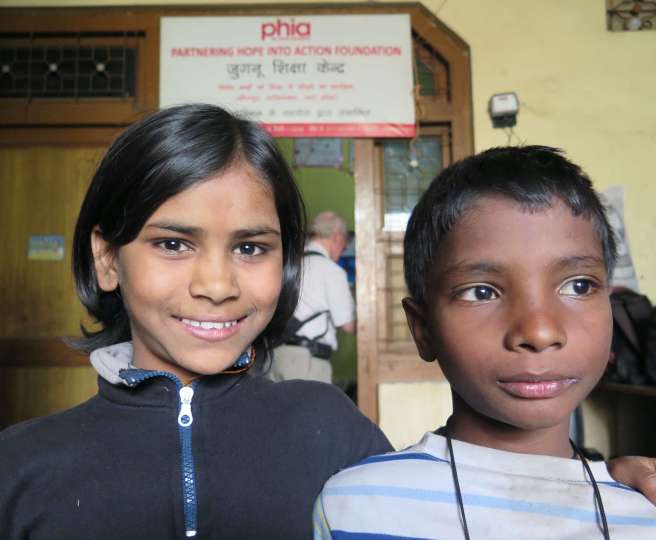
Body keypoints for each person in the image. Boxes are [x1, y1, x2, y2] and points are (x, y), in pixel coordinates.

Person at [0, 104, 391, 540]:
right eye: (172, 243)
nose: (218, 285)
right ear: (107, 259)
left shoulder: (335, 434)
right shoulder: (19, 468)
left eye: (250, 249)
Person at [314, 146, 656, 539]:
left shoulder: (643, 510)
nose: (539, 332)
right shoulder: (356, 509)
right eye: (481, 292)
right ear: (423, 329)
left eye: (578, 286)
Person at [267, 211, 355, 384]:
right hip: (307, 361)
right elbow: (348, 325)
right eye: (344, 245)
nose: (342, 249)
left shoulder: (288, 265)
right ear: (337, 237)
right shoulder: (331, 271)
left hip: (276, 356)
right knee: (310, 411)